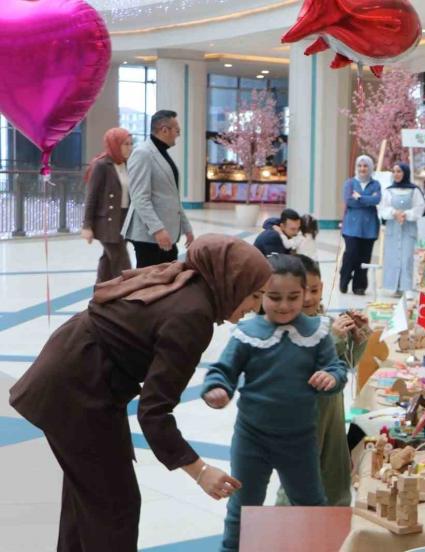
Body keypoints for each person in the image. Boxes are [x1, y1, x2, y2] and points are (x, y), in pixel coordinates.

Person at [8, 234, 271, 552]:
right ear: (232, 282)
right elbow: (154, 412)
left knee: (90, 499)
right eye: (254, 295)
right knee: (115, 508)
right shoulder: (193, 316)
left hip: (77, 370)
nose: (256, 307)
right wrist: (200, 471)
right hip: (77, 389)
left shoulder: (187, 283)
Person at [201, 254, 348, 552]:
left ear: (305, 293)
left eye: (293, 297)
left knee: (311, 505)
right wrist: (217, 387)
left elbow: (336, 368)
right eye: (274, 297)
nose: (284, 306)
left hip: (300, 440)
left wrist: (330, 377)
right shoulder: (247, 333)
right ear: (260, 295)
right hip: (251, 438)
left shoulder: (317, 332)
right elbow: (223, 369)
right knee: (243, 506)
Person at [274, 254, 370, 507]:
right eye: (301, 292)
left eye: (314, 290)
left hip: (332, 416)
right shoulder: (283, 328)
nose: (308, 298)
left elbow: (346, 363)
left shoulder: (326, 321)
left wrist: (359, 337)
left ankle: (333, 525)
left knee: (335, 478)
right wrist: (334, 340)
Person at [122, 110, 195, 267]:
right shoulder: (143, 153)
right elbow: (139, 197)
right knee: (150, 279)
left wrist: (187, 228)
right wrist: (158, 230)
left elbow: (172, 196)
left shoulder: (162, 154)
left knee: (169, 275)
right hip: (149, 237)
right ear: (164, 130)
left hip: (164, 234)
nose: (178, 134)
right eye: (177, 130)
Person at [81, 128, 134, 283]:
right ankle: (128, 293)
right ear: (115, 144)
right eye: (126, 144)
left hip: (124, 220)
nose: (130, 148)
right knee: (122, 263)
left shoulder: (126, 164)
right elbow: (91, 197)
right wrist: (87, 226)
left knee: (109, 260)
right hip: (107, 222)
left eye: (131, 144)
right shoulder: (102, 165)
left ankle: (100, 290)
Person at [379, 162, 425, 295]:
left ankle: (406, 288)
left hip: (408, 229)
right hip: (393, 230)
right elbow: (382, 208)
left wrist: (406, 214)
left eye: (399, 171)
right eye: (394, 172)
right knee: (392, 257)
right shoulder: (388, 190)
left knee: (407, 258)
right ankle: (392, 287)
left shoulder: (414, 190)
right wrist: (394, 213)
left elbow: (420, 208)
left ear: (405, 173)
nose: (396, 174)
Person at [340, 155, 382, 295]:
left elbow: (377, 200)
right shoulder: (350, 183)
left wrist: (360, 197)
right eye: (360, 165)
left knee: (365, 257)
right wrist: (367, 200)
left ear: (370, 168)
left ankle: (359, 286)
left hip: (369, 227)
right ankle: (345, 277)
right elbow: (349, 201)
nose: (362, 169)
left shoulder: (375, 184)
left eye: (365, 166)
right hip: (351, 226)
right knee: (351, 254)